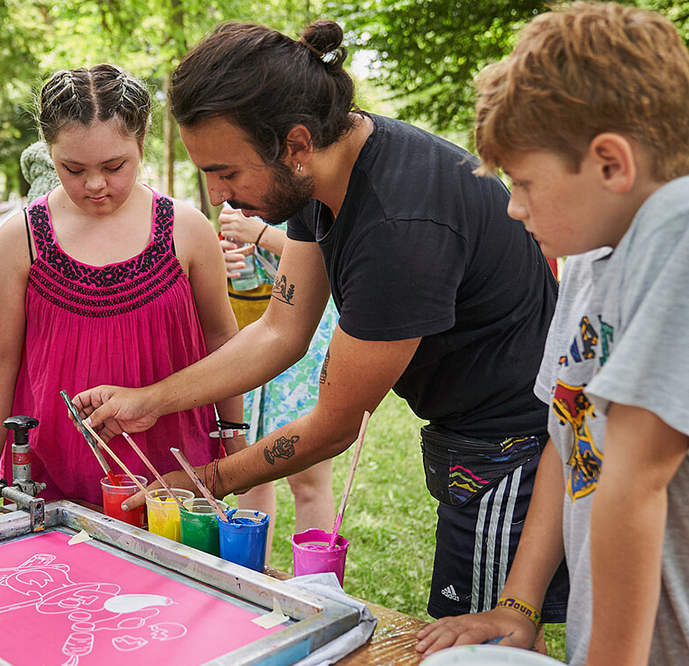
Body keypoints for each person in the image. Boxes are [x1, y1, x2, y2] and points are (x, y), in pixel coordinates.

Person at [75, 20, 567, 622]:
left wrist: (207, 480)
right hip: (469, 440)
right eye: (207, 172)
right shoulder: (321, 180)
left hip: (510, 450)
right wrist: (152, 399)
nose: (218, 195)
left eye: (227, 171)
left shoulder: (397, 228)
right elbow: (279, 331)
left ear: (297, 145)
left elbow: (335, 426)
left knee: (488, 642)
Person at [415, 4, 689, 664]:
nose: (514, 206)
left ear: (610, 164)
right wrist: (517, 605)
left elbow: (634, 477)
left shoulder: (678, 231)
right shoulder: (592, 262)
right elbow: (570, 448)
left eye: (525, 181)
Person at [0, 65, 242, 517]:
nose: (95, 185)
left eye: (115, 166)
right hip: (52, 472)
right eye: (72, 169)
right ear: (48, 152)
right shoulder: (19, 240)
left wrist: (232, 433)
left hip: (173, 470)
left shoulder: (188, 230)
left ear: (142, 143)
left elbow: (223, 341)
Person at [220, 207, 338, 537]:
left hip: (307, 350)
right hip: (254, 342)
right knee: (249, 476)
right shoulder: (239, 192)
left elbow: (332, 252)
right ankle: (247, 583)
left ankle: (313, 588)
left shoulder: (312, 183)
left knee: (308, 482)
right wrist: (227, 261)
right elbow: (244, 273)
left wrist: (258, 234)